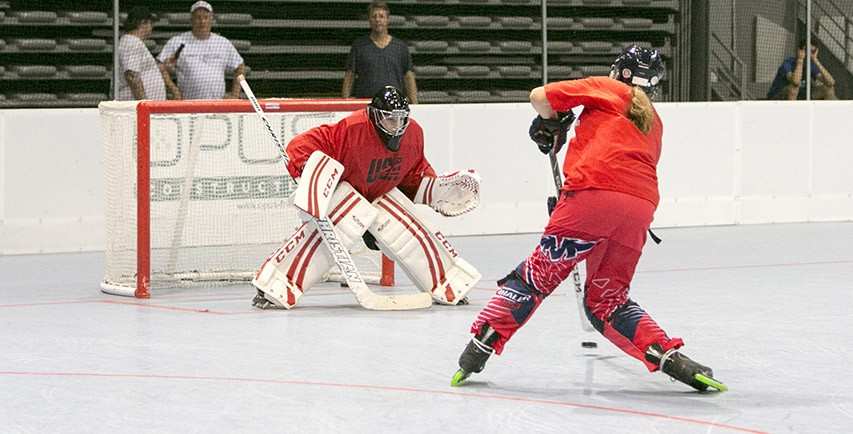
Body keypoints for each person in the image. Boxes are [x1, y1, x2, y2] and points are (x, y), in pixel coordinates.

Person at [451, 45, 727, 392]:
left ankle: (479, 347)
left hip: (591, 198)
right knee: (608, 300)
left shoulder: (609, 88)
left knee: (534, 279)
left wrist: (552, 121)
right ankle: (669, 357)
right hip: (639, 210)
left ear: (620, 71)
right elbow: (621, 162)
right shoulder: (654, 120)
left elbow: (539, 97)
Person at [251, 86, 481, 310]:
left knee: (411, 231)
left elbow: (413, 175)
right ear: (373, 115)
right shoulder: (352, 129)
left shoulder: (413, 134)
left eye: (401, 119)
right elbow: (301, 145)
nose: (396, 126)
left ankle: (450, 284)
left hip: (381, 195)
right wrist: (308, 174)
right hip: (347, 196)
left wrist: (437, 190)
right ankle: (274, 286)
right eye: (390, 119)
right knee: (343, 221)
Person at [157, 1, 246, 99]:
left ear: (211, 19)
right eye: (198, 17)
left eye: (206, 17)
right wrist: (174, 90)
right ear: (191, 20)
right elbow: (160, 67)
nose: (202, 21)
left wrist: (235, 94)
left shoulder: (222, 43)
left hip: (217, 105)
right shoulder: (178, 42)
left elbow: (240, 67)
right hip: (188, 103)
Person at [342, 1, 418, 103]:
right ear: (369, 20)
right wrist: (344, 102)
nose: (378, 20)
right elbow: (349, 76)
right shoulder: (359, 46)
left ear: (387, 20)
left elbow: (409, 77)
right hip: (366, 104)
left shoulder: (400, 47)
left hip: (394, 105)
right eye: (374, 16)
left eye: (381, 16)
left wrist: (415, 104)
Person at [116, 6, 167, 101]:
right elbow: (131, 75)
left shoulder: (134, 42)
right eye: (150, 23)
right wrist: (144, 103)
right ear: (142, 23)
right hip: (134, 108)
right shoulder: (131, 42)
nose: (152, 27)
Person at [767, 37, 836, 100]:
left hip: (801, 96)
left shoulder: (811, 65)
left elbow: (831, 82)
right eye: (806, 50)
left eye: (812, 51)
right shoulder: (788, 63)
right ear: (799, 50)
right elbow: (795, 82)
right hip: (777, 98)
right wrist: (800, 60)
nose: (808, 54)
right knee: (794, 88)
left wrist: (815, 60)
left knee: (828, 89)